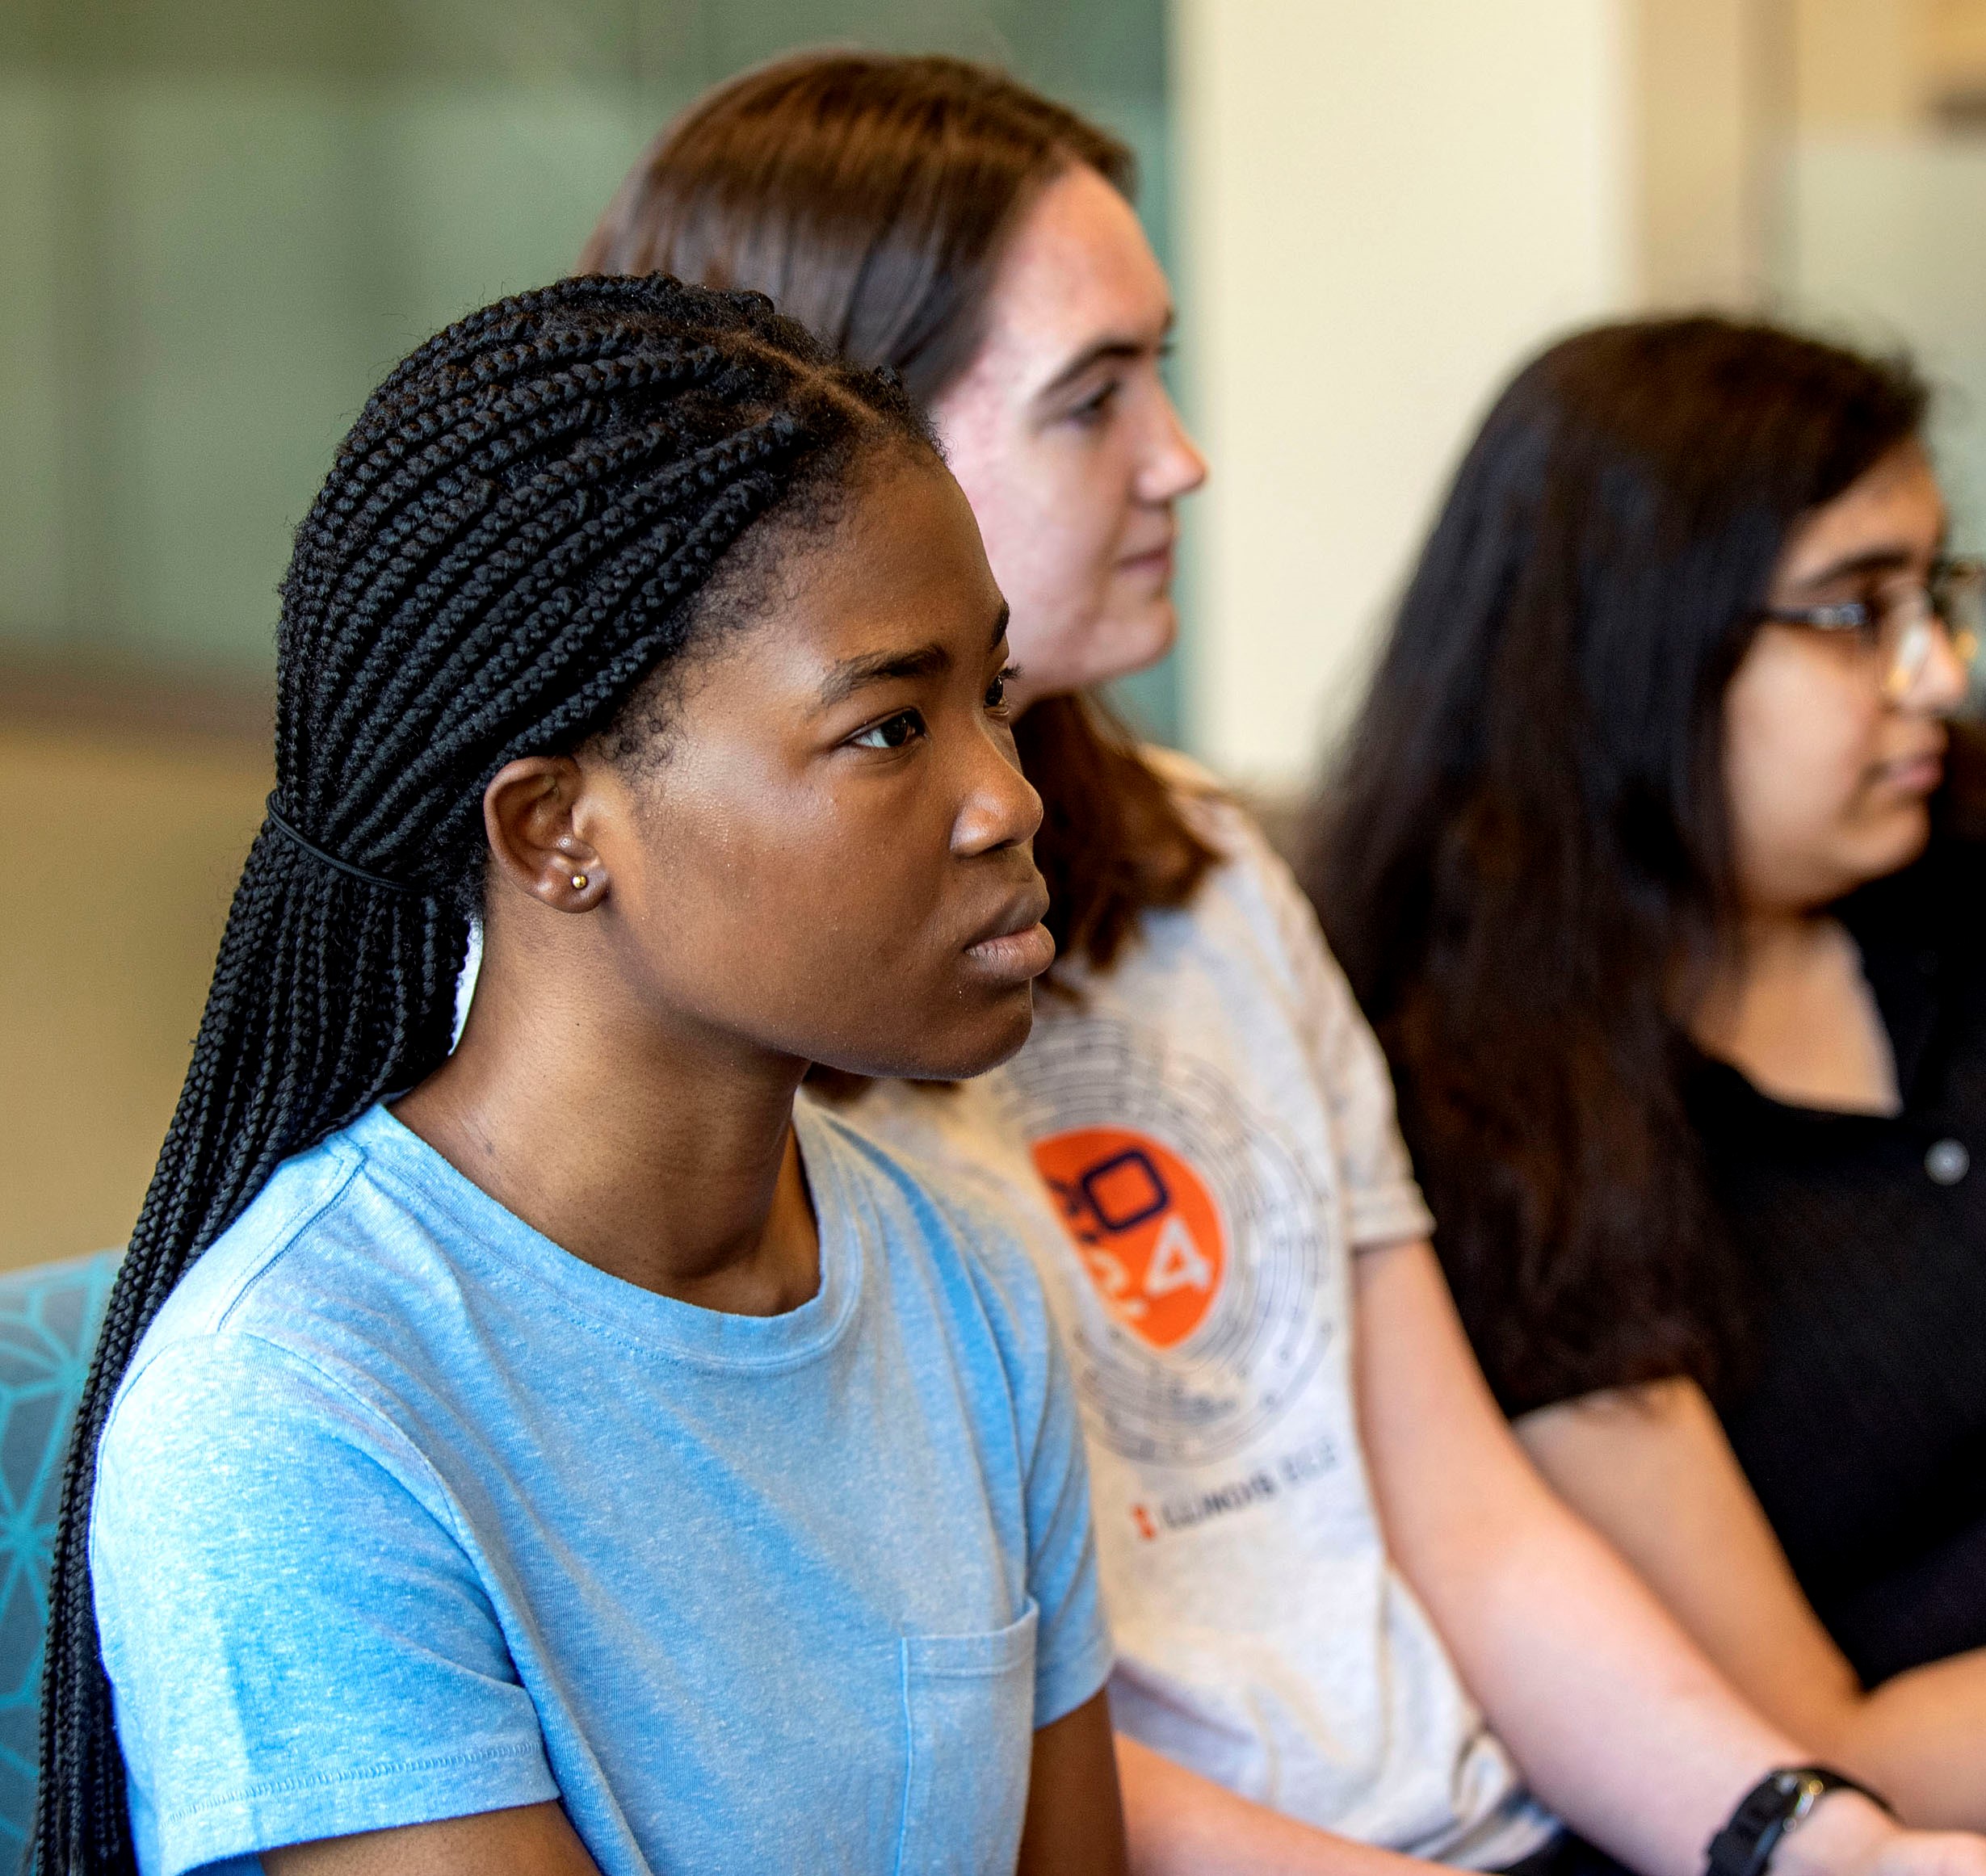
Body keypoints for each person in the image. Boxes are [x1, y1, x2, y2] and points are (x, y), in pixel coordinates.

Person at [584, 56, 1986, 1876]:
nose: (1183, 455)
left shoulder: (1209, 869)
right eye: (1098, 395)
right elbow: (983, 1747)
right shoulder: (701, 1027)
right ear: (851, 465)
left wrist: (1809, 1843)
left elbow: (1465, 1508)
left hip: (1536, 1820)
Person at [41, 276, 1127, 1876]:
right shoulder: (293, 1422)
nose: (1006, 800)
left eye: (996, 697)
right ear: (557, 832)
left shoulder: (964, 1291)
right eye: (893, 730)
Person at [1311, 317, 1986, 1830]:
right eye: (1854, 611)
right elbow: (1801, 1732)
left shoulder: (1954, 870)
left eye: (1932, 595)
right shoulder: (1494, 1114)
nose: (1935, 674)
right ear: (1636, 650)